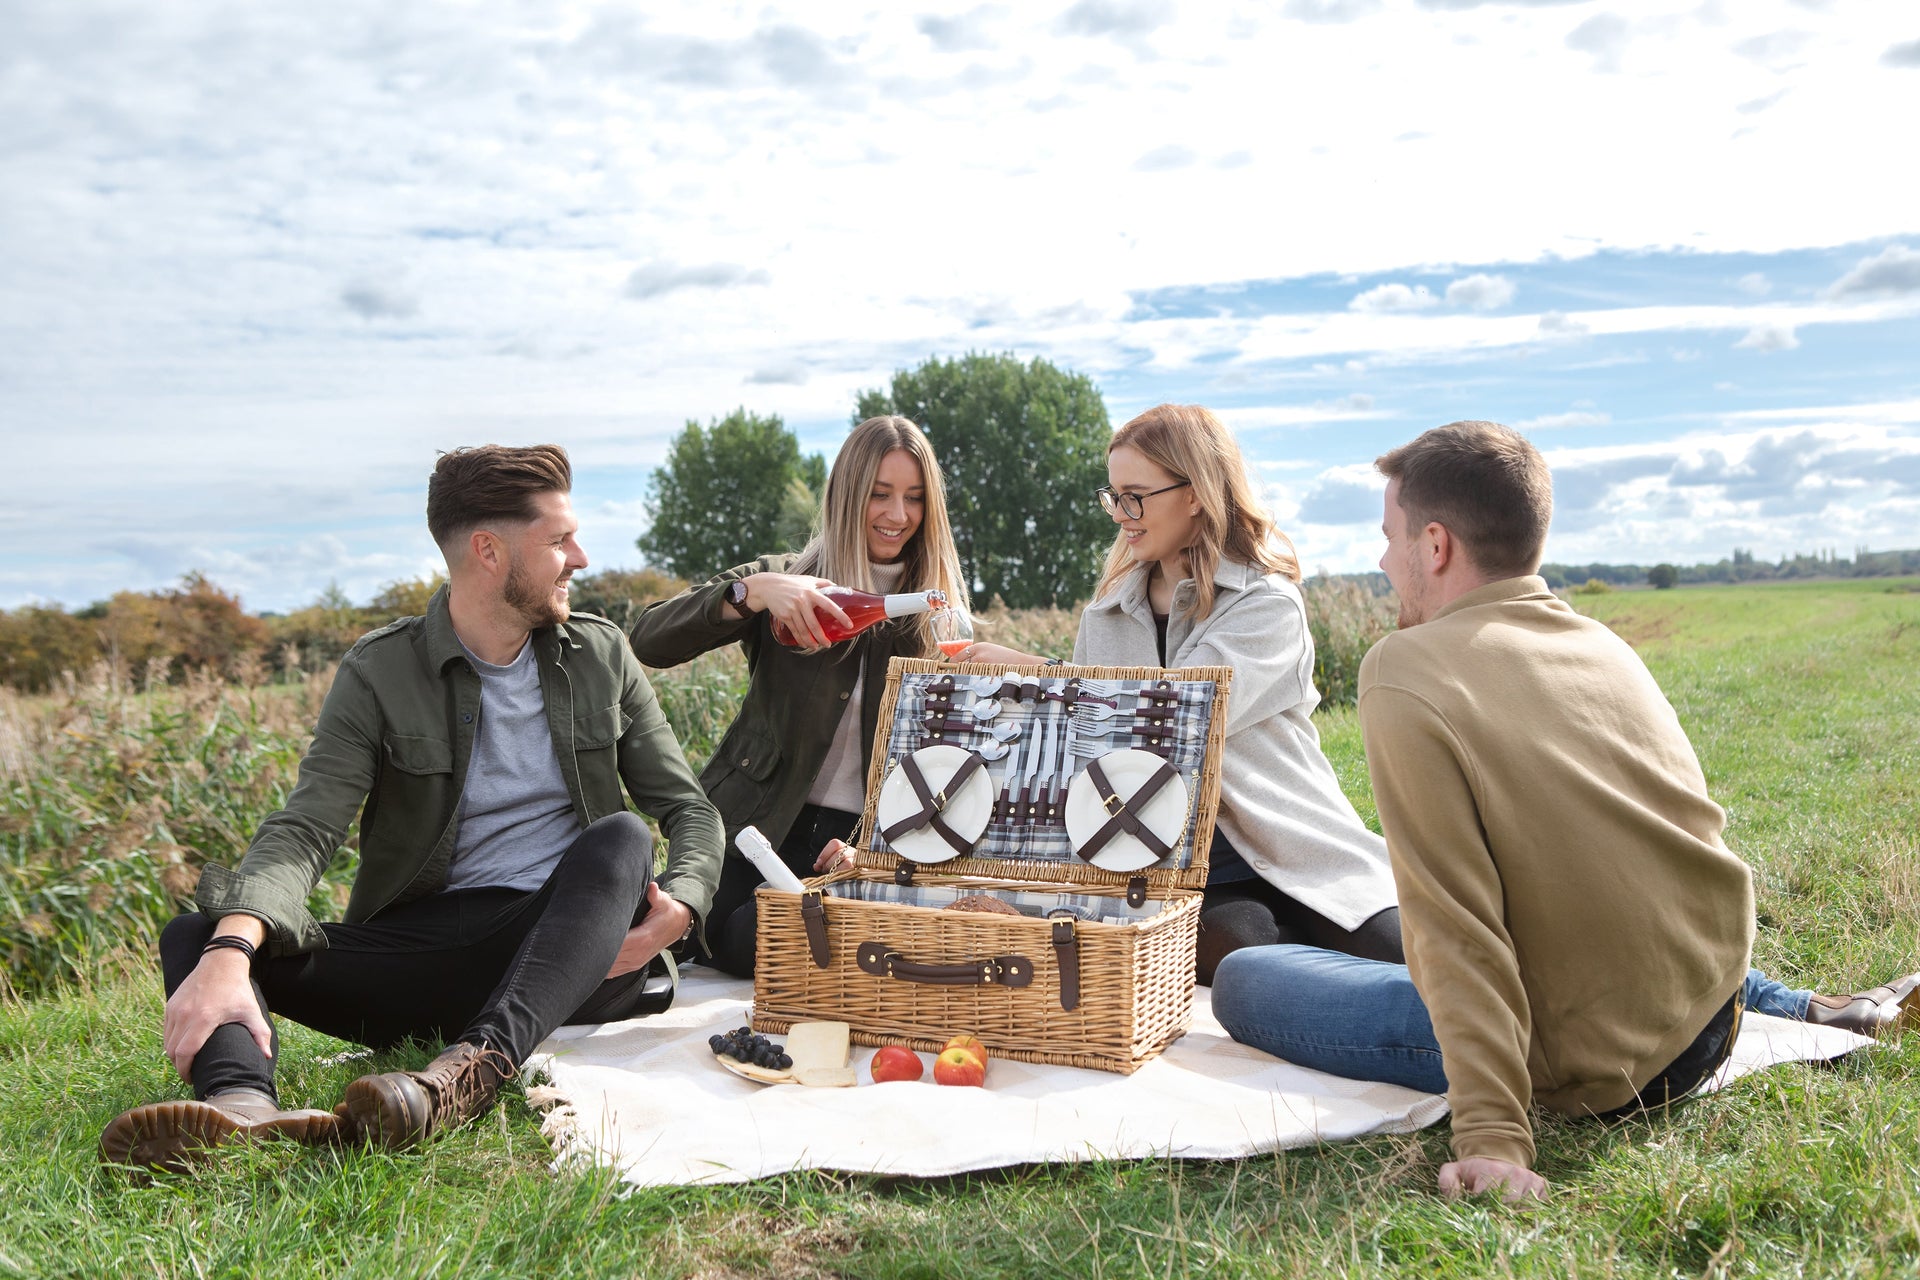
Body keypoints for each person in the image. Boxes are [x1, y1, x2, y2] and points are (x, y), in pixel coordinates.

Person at [1208, 420, 1919, 1203]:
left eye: (1389, 538)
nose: (1382, 564)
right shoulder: (1598, 641)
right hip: (1710, 1003)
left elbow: (1457, 926)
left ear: (1435, 546)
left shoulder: (1404, 671)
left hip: (1599, 1063)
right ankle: (1803, 1005)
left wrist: (1493, 1137)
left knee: (1245, 977)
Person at [99, 444, 724, 1171]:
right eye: (558, 541)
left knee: (621, 838)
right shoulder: (380, 669)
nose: (579, 558)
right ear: (489, 551)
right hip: (425, 955)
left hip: (569, 955)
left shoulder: (600, 654)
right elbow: (306, 827)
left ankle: (473, 1072)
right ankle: (242, 1108)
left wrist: (678, 909)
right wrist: (233, 949)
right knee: (199, 935)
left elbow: (688, 809)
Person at [956, 404, 1402, 981]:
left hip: (1291, 841)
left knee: (1402, 956)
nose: (1121, 515)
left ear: (1195, 493)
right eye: (1113, 496)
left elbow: (1188, 715)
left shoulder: (1265, 603)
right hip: (1180, 860)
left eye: (1136, 495)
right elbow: (1093, 748)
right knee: (1238, 954)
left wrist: (1044, 674)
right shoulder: (1106, 616)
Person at [629, 415, 969, 977]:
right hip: (751, 822)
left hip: (851, 846)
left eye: (913, 498)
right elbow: (650, 640)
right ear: (846, 494)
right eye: (879, 495)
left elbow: (946, 760)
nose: (897, 515)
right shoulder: (785, 580)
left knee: (774, 943)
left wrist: (883, 856)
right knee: (726, 937)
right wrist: (752, 593)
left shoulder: (935, 614)